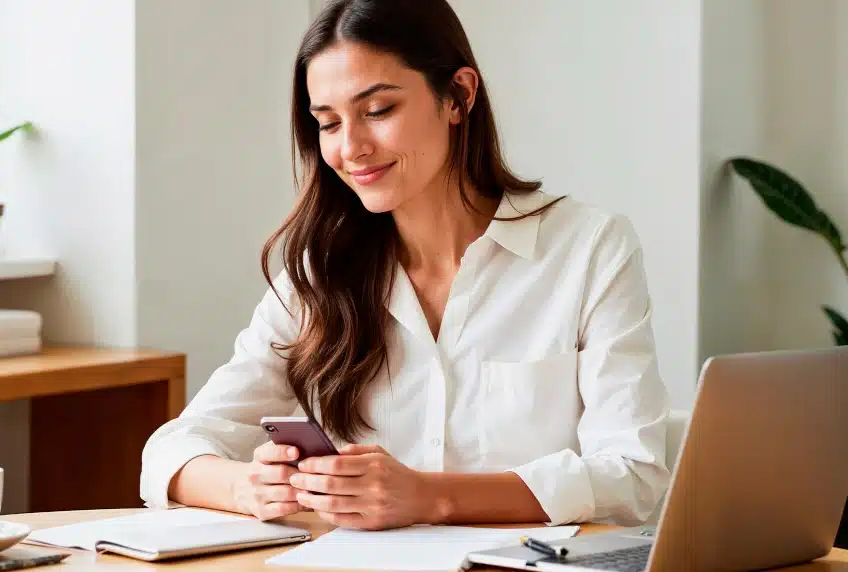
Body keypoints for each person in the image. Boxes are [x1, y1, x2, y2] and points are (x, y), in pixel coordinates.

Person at [140, 0, 669, 531]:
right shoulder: (320, 274)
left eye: (377, 111)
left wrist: (430, 497)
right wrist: (248, 487)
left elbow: (632, 476)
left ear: (459, 96)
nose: (351, 148)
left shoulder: (589, 249)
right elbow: (171, 451)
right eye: (327, 123)